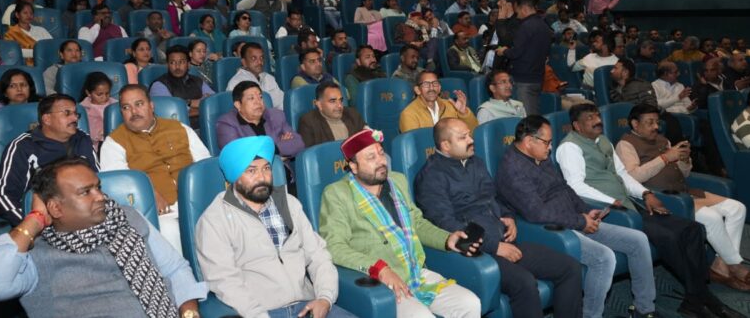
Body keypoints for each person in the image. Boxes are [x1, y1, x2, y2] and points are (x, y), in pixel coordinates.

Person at [556, 104, 745, 318]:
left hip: (630, 204)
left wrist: (646, 194)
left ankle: (696, 297)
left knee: (692, 229)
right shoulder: (569, 147)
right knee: (670, 237)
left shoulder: (603, 140)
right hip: (608, 210)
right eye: (590, 118)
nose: (598, 120)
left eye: (598, 115)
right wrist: (612, 201)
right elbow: (575, 186)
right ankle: (703, 298)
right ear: (577, 125)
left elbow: (623, 175)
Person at [0, 157, 207, 317]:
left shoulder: (127, 217)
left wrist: (189, 313)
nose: (100, 196)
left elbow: (175, 269)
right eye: (86, 192)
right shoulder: (36, 255)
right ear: (56, 208)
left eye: (98, 187)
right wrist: (36, 219)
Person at [415, 118, 582, 318]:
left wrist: (507, 216)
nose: (471, 140)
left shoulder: (475, 162)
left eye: (469, 135)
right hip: (479, 252)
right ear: (445, 145)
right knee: (524, 282)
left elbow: (493, 197)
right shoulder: (431, 177)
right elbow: (446, 224)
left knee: (570, 268)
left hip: (504, 239)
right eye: (463, 137)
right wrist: (494, 247)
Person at [495, 115, 658, 318]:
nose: (550, 148)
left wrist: (586, 210)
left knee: (638, 240)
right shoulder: (512, 169)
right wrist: (580, 221)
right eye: (547, 142)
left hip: (574, 219)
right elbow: (537, 213)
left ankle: (644, 309)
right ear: (529, 141)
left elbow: (563, 188)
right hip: (551, 230)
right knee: (603, 258)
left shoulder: (540, 156)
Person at [319, 129, 482, 318]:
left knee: (470, 303)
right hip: (379, 282)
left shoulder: (397, 181)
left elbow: (417, 224)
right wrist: (379, 268)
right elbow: (335, 247)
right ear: (353, 167)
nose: (381, 161)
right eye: (371, 157)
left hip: (414, 271)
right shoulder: (337, 194)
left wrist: (447, 239)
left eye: (381, 153)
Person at [196, 135, 354, 318]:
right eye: (251, 171)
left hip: (308, 305)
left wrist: (325, 298)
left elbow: (318, 256)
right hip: (262, 312)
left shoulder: (289, 204)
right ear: (234, 176)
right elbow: (225, 282)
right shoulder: (215, 219)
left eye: (266, 168)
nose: (262, 177)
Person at [618, 104, 750, 291]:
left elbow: (685, 173)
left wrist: (684, 160)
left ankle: (721, 264)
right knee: (712, 218)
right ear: (635, 124)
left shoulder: (663, 140)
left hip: (684, 191)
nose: (656, 126)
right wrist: (665, 158)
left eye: (657, 122)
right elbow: (633, 177)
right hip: (663, 198)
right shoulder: (626, 144)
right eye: (650, 122)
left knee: (737, 208)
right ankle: (734, 265)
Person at [100, 84, 211, 253]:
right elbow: (120, 186)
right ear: (121, 112)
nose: (134, 112)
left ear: (151, 106)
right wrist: (149, 194)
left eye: (139, 104)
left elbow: (204, 166)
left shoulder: (180, 128)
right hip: (160, 213)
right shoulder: (113, 143)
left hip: (196, 201)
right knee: (168, 231)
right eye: (126, 107)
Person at [0, 94, 98, 226]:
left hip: (84, 215)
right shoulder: (23, 147)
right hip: (44, 220)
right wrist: (34, 224)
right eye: (67, 113)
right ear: (47, 119)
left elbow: (98, 180)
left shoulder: (82, 139)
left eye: (76, 114)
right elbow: (2, 197)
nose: (75, 118)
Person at [216, 81, 305, 161]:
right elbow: (237, 156)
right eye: (251, 98)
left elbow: (299, 143)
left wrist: (274, 148)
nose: (258, 102)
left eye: (260, 97)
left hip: (282, 171)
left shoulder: (276, 115)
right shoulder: (227, 124)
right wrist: (279, 149)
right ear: (238, 105)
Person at [495, 0, 552, 115]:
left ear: (525, 9)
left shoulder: (526, 26)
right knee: (532, 112)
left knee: (527, 116)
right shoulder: (544, 25)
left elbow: (516, 52)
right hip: (537, 77)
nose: (517, 15)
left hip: (524, 78)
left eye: (518, 12)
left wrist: (504, 51)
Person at [150, 45, 215, 128]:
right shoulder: (159, 85)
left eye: (181, 62)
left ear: (188, 64)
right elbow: (173, 113)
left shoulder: (198, 80)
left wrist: (193, 106)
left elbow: (212, 101)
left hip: (205, 125)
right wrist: (193, 104)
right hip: (177, 129)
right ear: (167, 65)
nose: (177, 66)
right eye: (173, 62)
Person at [399, 71, 477, 133]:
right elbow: (415, 144)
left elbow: (473, 133)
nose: (431, 88)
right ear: (417, 90)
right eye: (426, 84)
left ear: (439, 88)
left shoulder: (450, 106)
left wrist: (463, 113)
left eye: (435, 83)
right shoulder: (409, 114)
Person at [298, 81, 366, 148]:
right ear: (319, 104)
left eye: (340, 100)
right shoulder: (308, 122)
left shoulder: (352, 114)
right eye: (333, 101)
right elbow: (309, 153)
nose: (339, 106)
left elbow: (367, 137)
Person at [227, 42, 284, 110]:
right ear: (244, 62)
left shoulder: (269, 78)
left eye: (261, 58)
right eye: (254, 58)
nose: (260, 62)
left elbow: (282, 103)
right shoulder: (236, 83)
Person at [4, 1, 53, 66]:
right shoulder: (10, 33)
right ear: (17, 15)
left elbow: (52, 46)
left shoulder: (41, 30)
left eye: (31, 13)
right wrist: (39, 52)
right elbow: (13, 53)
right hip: (24, 66)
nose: (29, 15)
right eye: (25, 13)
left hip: (46, 63)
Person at [79, 72, 116, 152]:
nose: (104, 97)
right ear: (89, 93)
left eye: (107, 93)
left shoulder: (115, 104)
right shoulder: (83, 109)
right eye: (99, 94)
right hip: (96, 144)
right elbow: (84, 132)